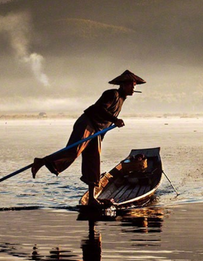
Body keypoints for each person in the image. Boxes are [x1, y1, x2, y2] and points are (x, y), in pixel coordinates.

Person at [32, 70, 145, 204]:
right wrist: (115, 120)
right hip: (87, 124)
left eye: (134, 85)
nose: (133, 88)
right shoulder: (112, 94)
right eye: (131, 85)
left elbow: (106, 122)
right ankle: (41, 161)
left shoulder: (122, 99)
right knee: (74, 151)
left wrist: (102, 134)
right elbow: (99, 109)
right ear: (123, 85)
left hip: (96, 130)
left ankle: (92, 198)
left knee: (93, 162)